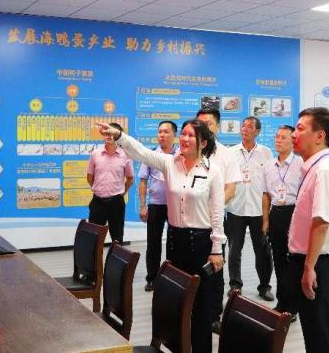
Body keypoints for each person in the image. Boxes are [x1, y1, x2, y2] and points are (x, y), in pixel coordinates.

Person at [97, 119, 225, 353]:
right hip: (176, 241)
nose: (184, 139)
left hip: (201, 243)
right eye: (183, 134)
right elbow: (141, 152)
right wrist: (119, 135)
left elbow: (217, 213)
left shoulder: (213, 171)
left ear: (203, 143)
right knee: (176, 299)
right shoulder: (169, 163)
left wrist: (217, 249)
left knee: (201, 305)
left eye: (191, 136)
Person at [288, 107, 329, 352]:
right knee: (314, 337)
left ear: (320, 136)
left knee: (323, 340)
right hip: (310, 262)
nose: (293, 134)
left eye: (300, 129)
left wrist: (309, 267)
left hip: (320, 265)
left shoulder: (325, 170)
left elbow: (321, 223)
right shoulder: (313, 167)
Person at [196, 108, 242, 333]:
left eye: (209, 123)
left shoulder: (227, 154)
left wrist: (211, 208)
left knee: (214, 269)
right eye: (200, 123)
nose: (204, 127)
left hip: (213, 223)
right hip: (189, 223)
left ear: (217, 126)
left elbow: (231, 189)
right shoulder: (189, 151)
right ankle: (190, 309)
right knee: (190, 269)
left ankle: (214, 315)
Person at [227, 116, 274, 300]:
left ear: (258, 131)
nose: (245, 129)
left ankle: (264, 287)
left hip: (258, 210)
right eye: (243, 126)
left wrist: (268, 214)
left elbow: (270, 181)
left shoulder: (266, 153)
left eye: (249, 127)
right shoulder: (231, 152)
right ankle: (235, 285)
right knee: (234, 250)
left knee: (262, 251)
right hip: (235, 208)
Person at [261, 125, 303, 319]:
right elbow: (266, 195)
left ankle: (293, 307)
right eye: (277, 136)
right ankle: (282, 303)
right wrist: (265, 221)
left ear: (293, 141)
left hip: (295, 213)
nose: (278, 140)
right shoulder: (268, 165)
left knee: (293, 261)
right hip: (276, 214)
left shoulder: (301, 164)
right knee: (278, 260)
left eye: (283, 137)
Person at [138, 120, 177, 292]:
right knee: (153, 243)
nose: (162, 135)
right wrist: (142, 206)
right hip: (155, 205)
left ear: (174, 135)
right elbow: (143, 181)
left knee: (173, 244)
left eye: (166, 132)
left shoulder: (180, 155)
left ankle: (171, 278)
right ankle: (152, 278)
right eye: (160, 131)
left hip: (175, 206)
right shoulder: (151, 155)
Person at [86, 122, 134, 243]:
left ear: (118, 136)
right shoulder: (95, 154)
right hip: (98, 202)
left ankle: (115, 256)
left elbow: (130, 178)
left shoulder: (125, 155)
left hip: (116, 203)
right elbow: (89, 176)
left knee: (117, 238)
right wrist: (98, 189)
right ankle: (95, 257)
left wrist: (122, 193)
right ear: (103, 135)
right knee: (94, 239)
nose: (109, 136)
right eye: (107, 133)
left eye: (112, 133)